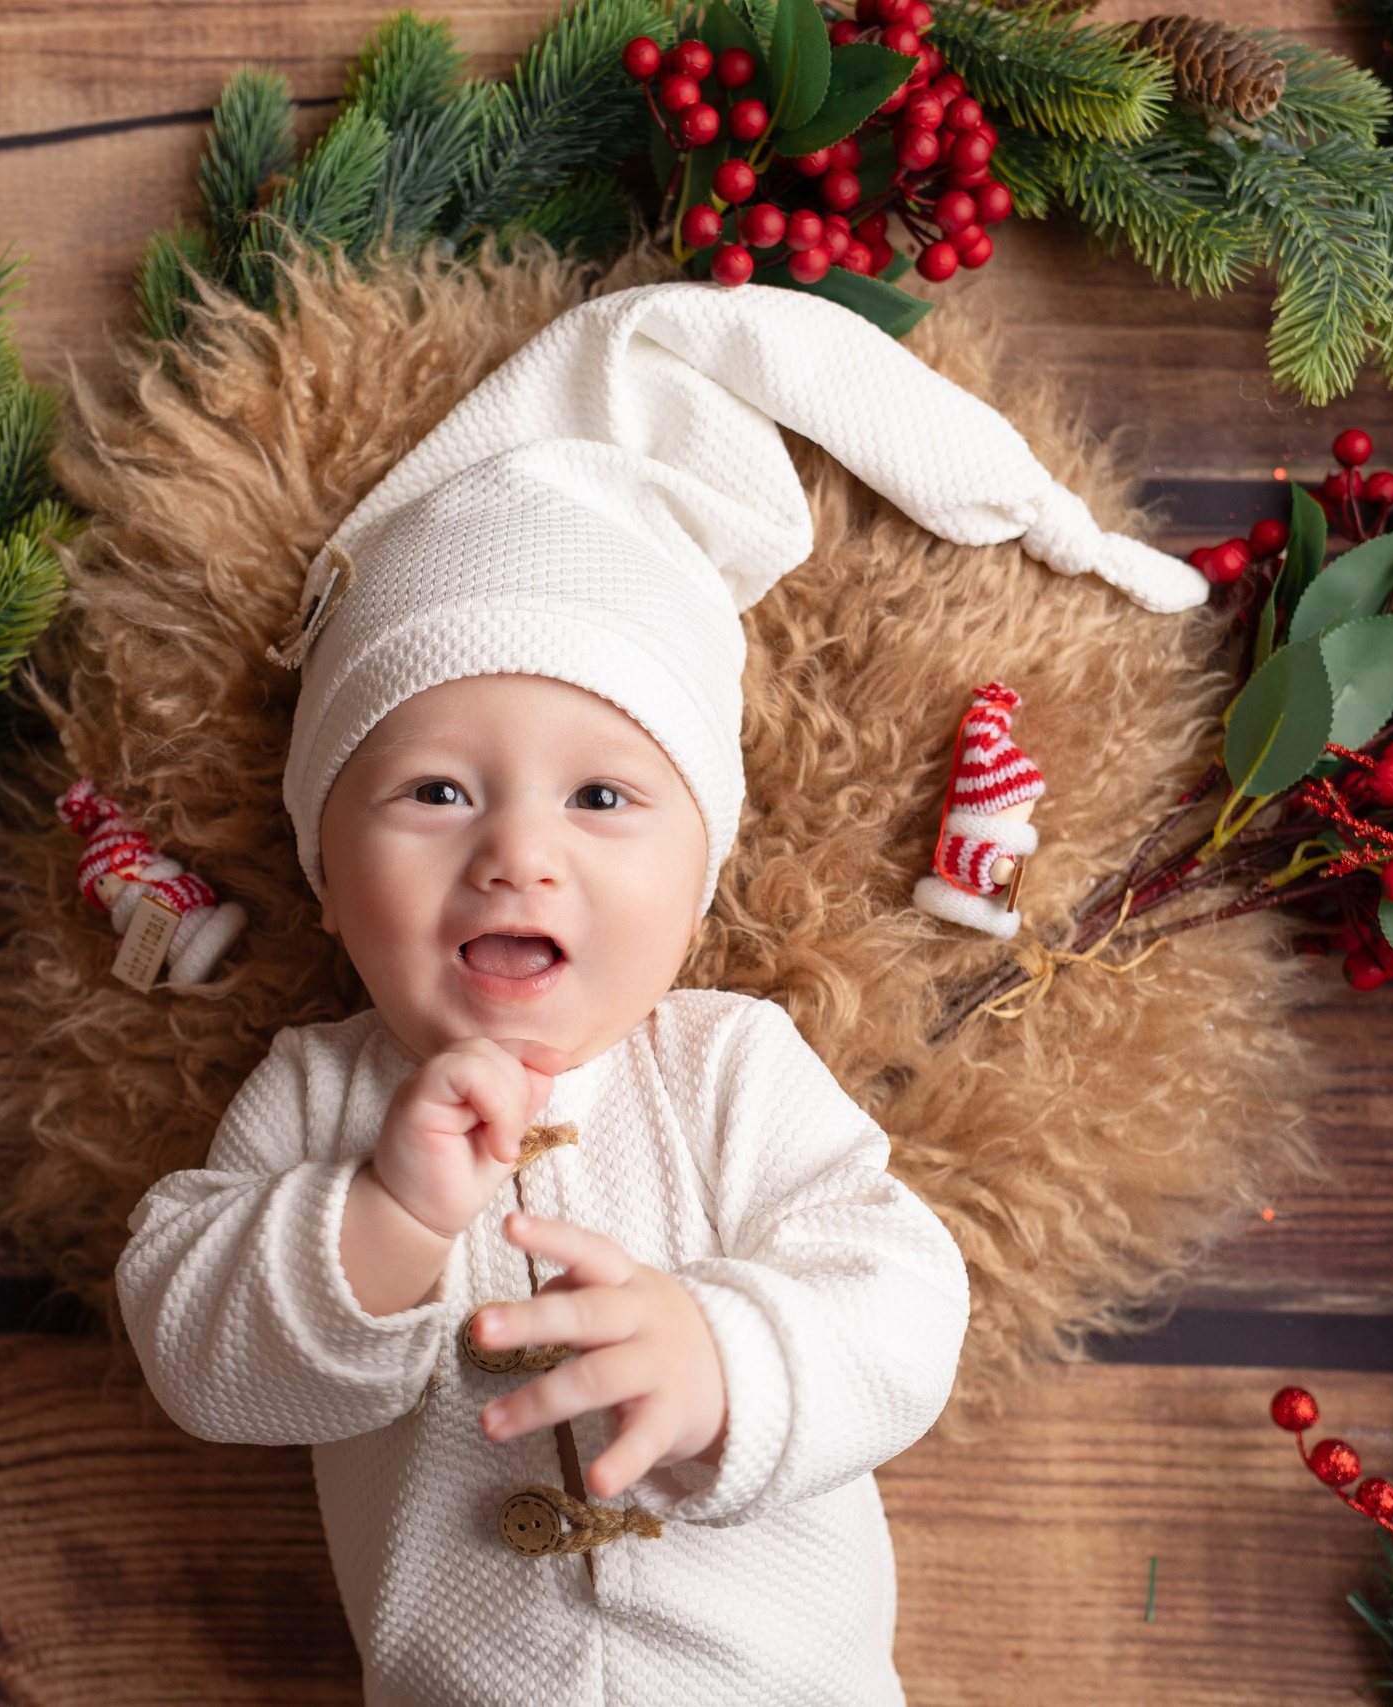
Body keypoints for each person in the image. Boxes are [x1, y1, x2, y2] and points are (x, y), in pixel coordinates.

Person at [115, 280, 1202, 1706]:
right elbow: (190, 1347)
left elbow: (901, 1300)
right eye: (435, 791)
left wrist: (728, 1356)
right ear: (324, 870)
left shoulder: (729, 1072)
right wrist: (374, 1224)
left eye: (605, 798)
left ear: (698, 886)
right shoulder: (321, 1096)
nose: (517, 852)